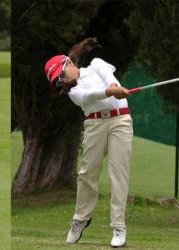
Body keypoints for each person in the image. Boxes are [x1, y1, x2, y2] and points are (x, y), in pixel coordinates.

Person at [44, 37, 133, 248]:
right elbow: (88, 97)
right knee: (87, 173)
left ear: (69, 63)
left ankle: (118, 225)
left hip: (120, 120)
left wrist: (113, 85)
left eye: (61, 76)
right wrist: (109, 91)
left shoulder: (96, 65)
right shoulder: (73, 92)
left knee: (118, 173)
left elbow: (108, 75)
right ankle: (81, 219)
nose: (63, 82)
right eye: (59, 82)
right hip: (94, 125)